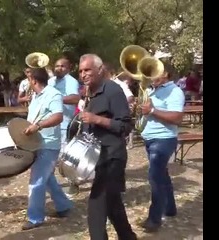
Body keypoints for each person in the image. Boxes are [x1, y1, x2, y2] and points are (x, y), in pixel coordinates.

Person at [78, 54, 137, 240]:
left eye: (87, 70)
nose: (83, 74)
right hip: (98, 156)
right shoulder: (90, 93)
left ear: (100, 69)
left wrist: (97, 119)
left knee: (96, 208)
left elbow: (125, 126)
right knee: (112, 204)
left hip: (112, 157)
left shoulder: (113, 90)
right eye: (80, 71)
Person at [21, 67, 73, 230]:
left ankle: (35, 218)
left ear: (34, 81)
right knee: (47, 178)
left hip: (49, 145)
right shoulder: (35, 96)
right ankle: (64, 206)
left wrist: (39, 126)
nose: (29, 82)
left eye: (29, 79)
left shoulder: (53, 94)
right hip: (36, 143)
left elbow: (58, 116)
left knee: (36, 181)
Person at [139, 64, 185, 232]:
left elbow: (177, 118)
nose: (151, 76)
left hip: (164, 139)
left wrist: (151, 110)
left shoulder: (175, 91)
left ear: (166, 73)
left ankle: (154, 219)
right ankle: (170, 208)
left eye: (155, 72)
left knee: (155, 177)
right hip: (150, 138)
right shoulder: (152, 89)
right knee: (162, 175)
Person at [48, 57, 81, 196]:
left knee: (65, 158)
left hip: (64, 125)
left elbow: (75, 98)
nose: (59, 68)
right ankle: (52, 186)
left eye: (62, 66)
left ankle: (73, 183)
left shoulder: (70, 81)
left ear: (68, 68)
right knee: (50, 157)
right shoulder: (50, 81)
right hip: (50, 125)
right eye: (56, 66)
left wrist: (56, 98)